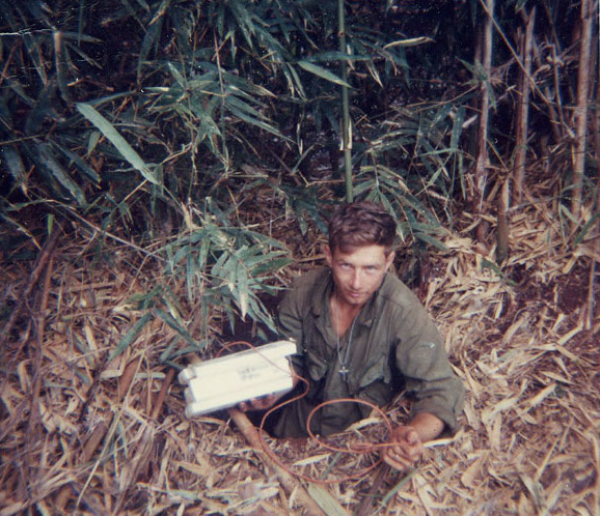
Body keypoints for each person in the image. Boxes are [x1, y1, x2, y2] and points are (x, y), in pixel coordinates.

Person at [240, 201, 464, 472]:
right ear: (329, 256)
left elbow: (439, 389)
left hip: (357, 451)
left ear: (389, 260)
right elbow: (290, 359)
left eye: (370, 268)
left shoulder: (402, 312)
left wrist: (413, 435)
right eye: (346, 266)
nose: (357, 283)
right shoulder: (302, 293)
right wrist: (274, 388)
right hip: (292, 435)